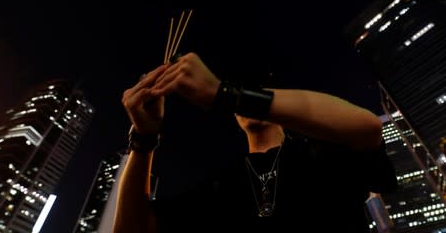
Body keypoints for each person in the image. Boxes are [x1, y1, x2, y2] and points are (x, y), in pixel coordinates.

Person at [113, 52, 398, 233]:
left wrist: (225, 94)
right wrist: (143, 137)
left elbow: (368, 127)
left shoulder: (323, 156)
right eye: (241, 92)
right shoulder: (219, 188)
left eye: (253, 92)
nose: (245, 97)